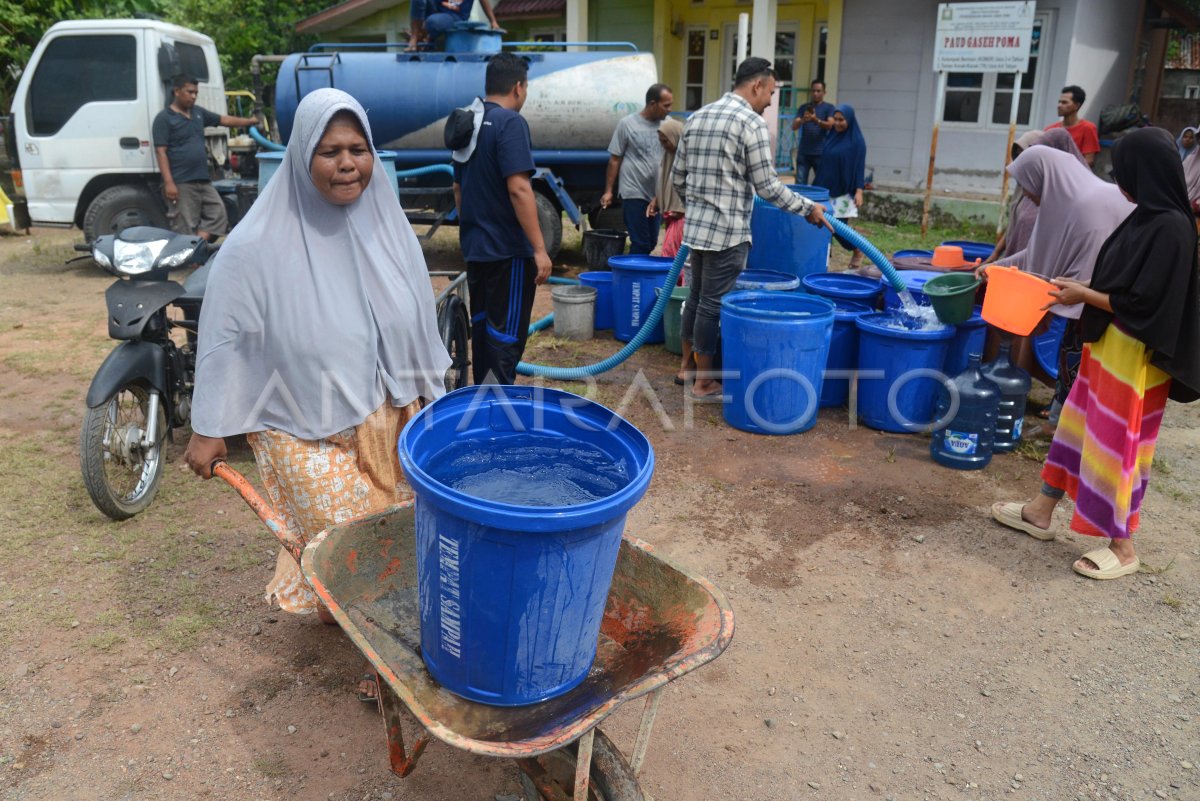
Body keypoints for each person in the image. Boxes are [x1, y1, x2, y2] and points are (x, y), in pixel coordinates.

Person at [182, 89, 451, 621]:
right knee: (356, 544)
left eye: (358, 148)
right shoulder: (254, 246)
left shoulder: (390, 229)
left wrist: (428, 394)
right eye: (330, 151)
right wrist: (208, 424)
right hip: (300, 427)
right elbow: (224, 337)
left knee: (392, 529)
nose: (348, 163)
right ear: (303, 155)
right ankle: (381, 650)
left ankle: (355, 612)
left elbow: (420, 317)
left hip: (386, 412)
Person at [990, 126, 1200, 580]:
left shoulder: (1172, 227)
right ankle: (1040, 510)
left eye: (1124, 169)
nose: (1117, 178)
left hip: (1134, 359)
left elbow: (1147, 304)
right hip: (1107, 346)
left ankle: (1123, 547)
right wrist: (1086, 295)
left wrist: (1083, 294)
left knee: (1115, 445)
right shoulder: (1145, 216)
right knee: (1077, 427)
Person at [671, 57, 826, 398]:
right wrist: (808, 208)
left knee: (695, 297)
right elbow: (768, 187)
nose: (770, 101)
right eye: (770, 92)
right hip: (728, 233)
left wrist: (699, 206)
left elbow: (678, 179)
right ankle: (704, 382)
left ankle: (686, 368)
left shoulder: (696, 118)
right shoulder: (750, 124)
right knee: (712, 303)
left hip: (696, 230)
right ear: (757, 85)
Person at [995, 146, 1134, 437]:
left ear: (1044, 176)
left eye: (1027, 181)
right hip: (1085, 299)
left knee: (1080, 360)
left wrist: (1051, 303)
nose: (1026, 191)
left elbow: (1087, 272)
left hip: (1103, 307)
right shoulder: (1063, 206)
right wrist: (995, 267)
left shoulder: (1087, 207)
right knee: (1069, 357)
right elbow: (1037, 255)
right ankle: (1060, 423)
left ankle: (1071, 429)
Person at [453, 52, 552, 385]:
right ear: (519, 87)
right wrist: (539, 249)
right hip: (507, 253)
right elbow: (520, 189)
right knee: (505, 338)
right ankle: (496, 413)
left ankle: (482, 401)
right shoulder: (511, 123)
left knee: (482, 331)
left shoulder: (469, 120)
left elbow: (458, 190)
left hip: (477, 249)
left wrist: (472, 230)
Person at [152, 74, 258, 242]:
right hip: (181, 181)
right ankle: (186, 261)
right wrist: (169, 182)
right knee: (185, 224)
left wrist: (249, 121)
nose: (193, 96)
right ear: (177, 91)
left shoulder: (198, 113)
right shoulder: (164, 119)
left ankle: (196, 247)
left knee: (218, 214)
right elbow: (161, 152)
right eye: (190, 92)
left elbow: (223, 120)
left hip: (203, 179)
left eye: (196, 93)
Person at [602, 84, 674, 255]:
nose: (670, 110)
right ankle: (633, 280)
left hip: (656, 195)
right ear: (652, 104)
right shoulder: (627, 124)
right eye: (666, 105)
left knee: (651, 242)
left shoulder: (668, 124)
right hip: (633, 191)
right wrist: (608, 191)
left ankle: (635, 274)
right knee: (640, 242)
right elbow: (615, 159)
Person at [812, 104, 867, 270]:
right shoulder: (832, 135)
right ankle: (824, 262)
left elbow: (859, 167)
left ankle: (857, 249)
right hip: (825, 188)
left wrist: (859, 190)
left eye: (841, 120)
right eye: (835, 119)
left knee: (838, 227)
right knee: (821, 227)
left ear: (849, 119)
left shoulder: (857, 141)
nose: (837, 123)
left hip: (844, 191)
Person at [790, 79, 836, 184]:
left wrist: (815, 120)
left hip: (821, 153)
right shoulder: (804, 108)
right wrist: (803, 120)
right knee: (800, 184)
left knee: (822, 183)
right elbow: (794, 126)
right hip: (804, 152)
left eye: (818, 91)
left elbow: (830, 125)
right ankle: (800, 201)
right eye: (813, 91)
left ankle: (817, 201)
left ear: (824, 93)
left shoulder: (829, 108)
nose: (815, 93)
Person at [407, 0, 500, 51]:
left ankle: (424, 35)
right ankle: (414, 37)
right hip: (437, 10)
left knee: (432, 22)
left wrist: (493, 21)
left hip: (455, 16)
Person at [1044, 85, 1100, 167]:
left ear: (1076, 105)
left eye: (1064, 102)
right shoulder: (1050, 130)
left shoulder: (1088, 128)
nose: (1059, 105)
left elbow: (1089, 161)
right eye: (1059, 102)